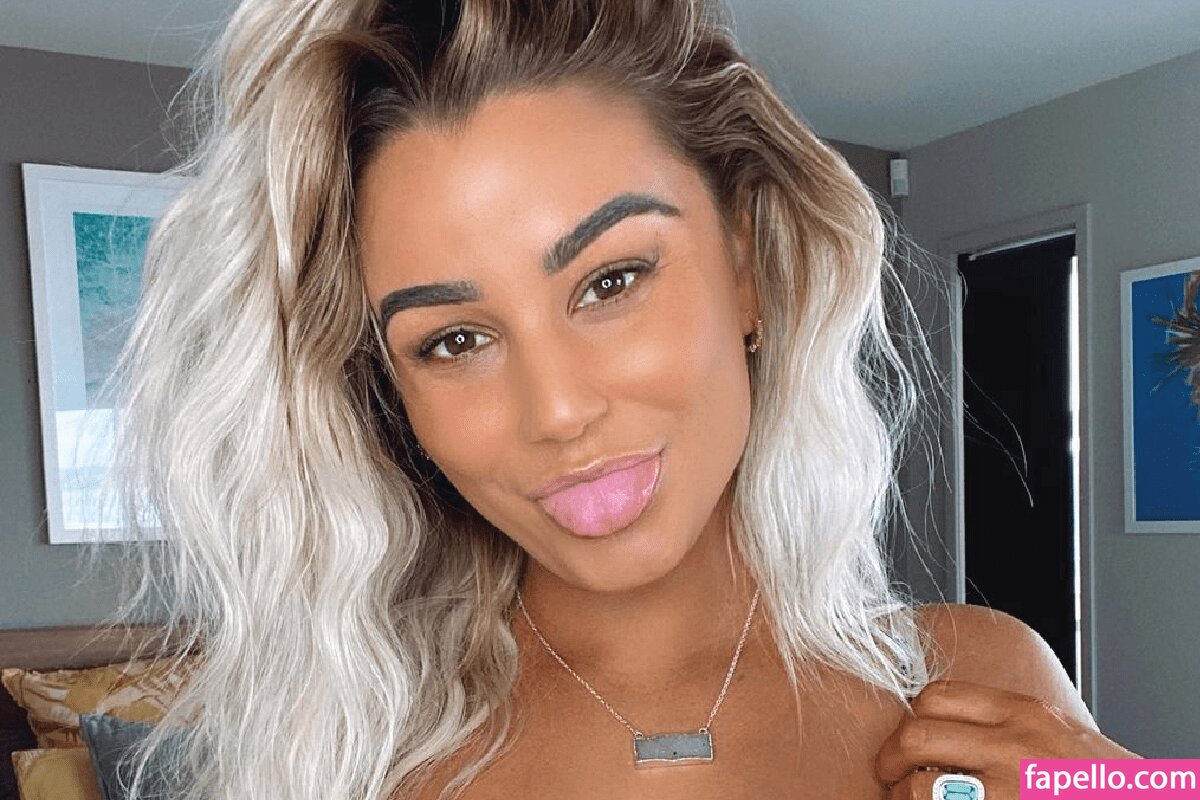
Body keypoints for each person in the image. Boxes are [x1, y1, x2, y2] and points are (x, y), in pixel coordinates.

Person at [90, 1, 1137, 798]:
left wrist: (1140, 787)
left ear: (746, 266)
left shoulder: (984, 684)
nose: (556, 410)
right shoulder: (354, 765)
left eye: (611, 281)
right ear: (390, 397)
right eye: (454, 340)